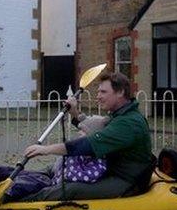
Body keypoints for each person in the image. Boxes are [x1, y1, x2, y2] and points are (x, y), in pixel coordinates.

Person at [20, 71, 153, 201]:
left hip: (126, 180)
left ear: (120, 92)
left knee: (71, 189)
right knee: (51, 170)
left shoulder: (129, 123)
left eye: (103, 92)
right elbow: (96, 131)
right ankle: (13, 182)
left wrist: (46, 150)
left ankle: (20, 203)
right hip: (110, 170)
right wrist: (75, 113)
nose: (98, 96)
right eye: (98, 92)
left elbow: (88, 144)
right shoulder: (120, 115)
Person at [0, 115, 109, 202]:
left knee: (28, 183)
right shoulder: (81, 150)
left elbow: (79, 177)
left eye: (83, 132)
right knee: (19, 172)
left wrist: (69, 156)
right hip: (53, 175)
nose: (79, 133)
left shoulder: (99, 163)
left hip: (53, 184)